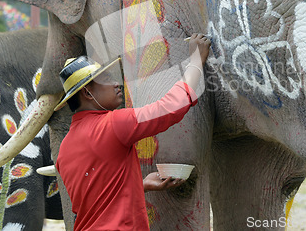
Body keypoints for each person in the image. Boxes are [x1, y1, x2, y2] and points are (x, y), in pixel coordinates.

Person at [54, 33, 211, 230]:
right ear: (87, 93)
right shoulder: (113, 124)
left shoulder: (64, 150)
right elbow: (170, 108)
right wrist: (196, 61)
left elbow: (94, 200)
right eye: (106, 79)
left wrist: (140, 185)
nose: (116, 84)